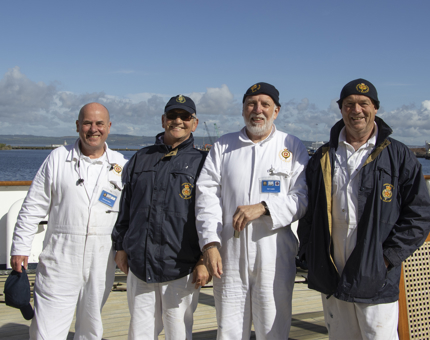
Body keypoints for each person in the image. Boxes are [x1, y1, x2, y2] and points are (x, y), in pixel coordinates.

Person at [298, 78, 430, 339]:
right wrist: (308, 253)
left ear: (375, 108)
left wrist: (386, 259)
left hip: (377, 277)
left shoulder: (399, 156)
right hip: (332, 273)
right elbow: (309, 213)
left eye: (363, 103)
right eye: (349, 104)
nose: (356, 110)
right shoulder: (324, 156)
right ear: (341, 109)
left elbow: (419, 214)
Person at [195, 82, 308, 339]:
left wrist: (265, 207)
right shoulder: (223, 146)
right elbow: (206, 197)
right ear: (243, 110)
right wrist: (210, 244)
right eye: (251, 104)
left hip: (275, 254)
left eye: (265, 104)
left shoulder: (292, 146)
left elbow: (302, 197)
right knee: (230, 329)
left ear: (276, 111)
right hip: (229, 255)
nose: (258, 110)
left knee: (274, 329)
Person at [10, 102, 127, 339]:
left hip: (102, 256)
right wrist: (20, 247)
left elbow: (129, 216)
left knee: (91, 326)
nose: (93, 129)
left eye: (99, 123)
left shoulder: (121, 165)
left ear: (109, 127)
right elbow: (32, 206)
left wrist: (125, 250)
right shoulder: (57, 159)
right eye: (87, 123)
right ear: (77, 126)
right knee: (47, 329)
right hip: (60, 256)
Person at [112, 95, 210, 340]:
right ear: (163, 120)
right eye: (173, 116)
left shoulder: (203, 163)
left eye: (185, 117)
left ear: (194, 123)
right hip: (140, 264)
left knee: (178, 332)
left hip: (181, 266)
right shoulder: (140, 158)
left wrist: (202, 260)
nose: (178, 121)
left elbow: (209, 215)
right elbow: (126, 208)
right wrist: (120, 247)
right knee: (140, 332)